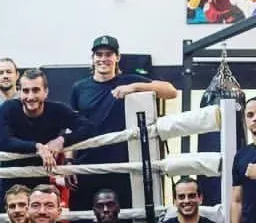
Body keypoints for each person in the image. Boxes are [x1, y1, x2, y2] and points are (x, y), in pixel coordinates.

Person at [68, 35, 178, 209]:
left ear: (117, 57)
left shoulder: (128, 81)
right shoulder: (79, 88)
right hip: (86, 165)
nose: (103, 59)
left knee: (122, 219)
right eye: (99, 54)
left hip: (121, 167)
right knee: (83, 220)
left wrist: (135, 87)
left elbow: (170, 91)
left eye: (108, 54)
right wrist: (69, 163)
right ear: (93, 58)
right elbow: (71, 127)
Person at [0, 68, 94, 181]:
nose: (30, 97)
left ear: (46, 92)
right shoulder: (9, 108)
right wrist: (38, 147)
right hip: (13, 180)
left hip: (44, 180)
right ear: (20, 92)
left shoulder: (56, 110)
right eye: (26, 91)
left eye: (36, 90)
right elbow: (4, 142)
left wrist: (62, 140)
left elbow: (88, 128)